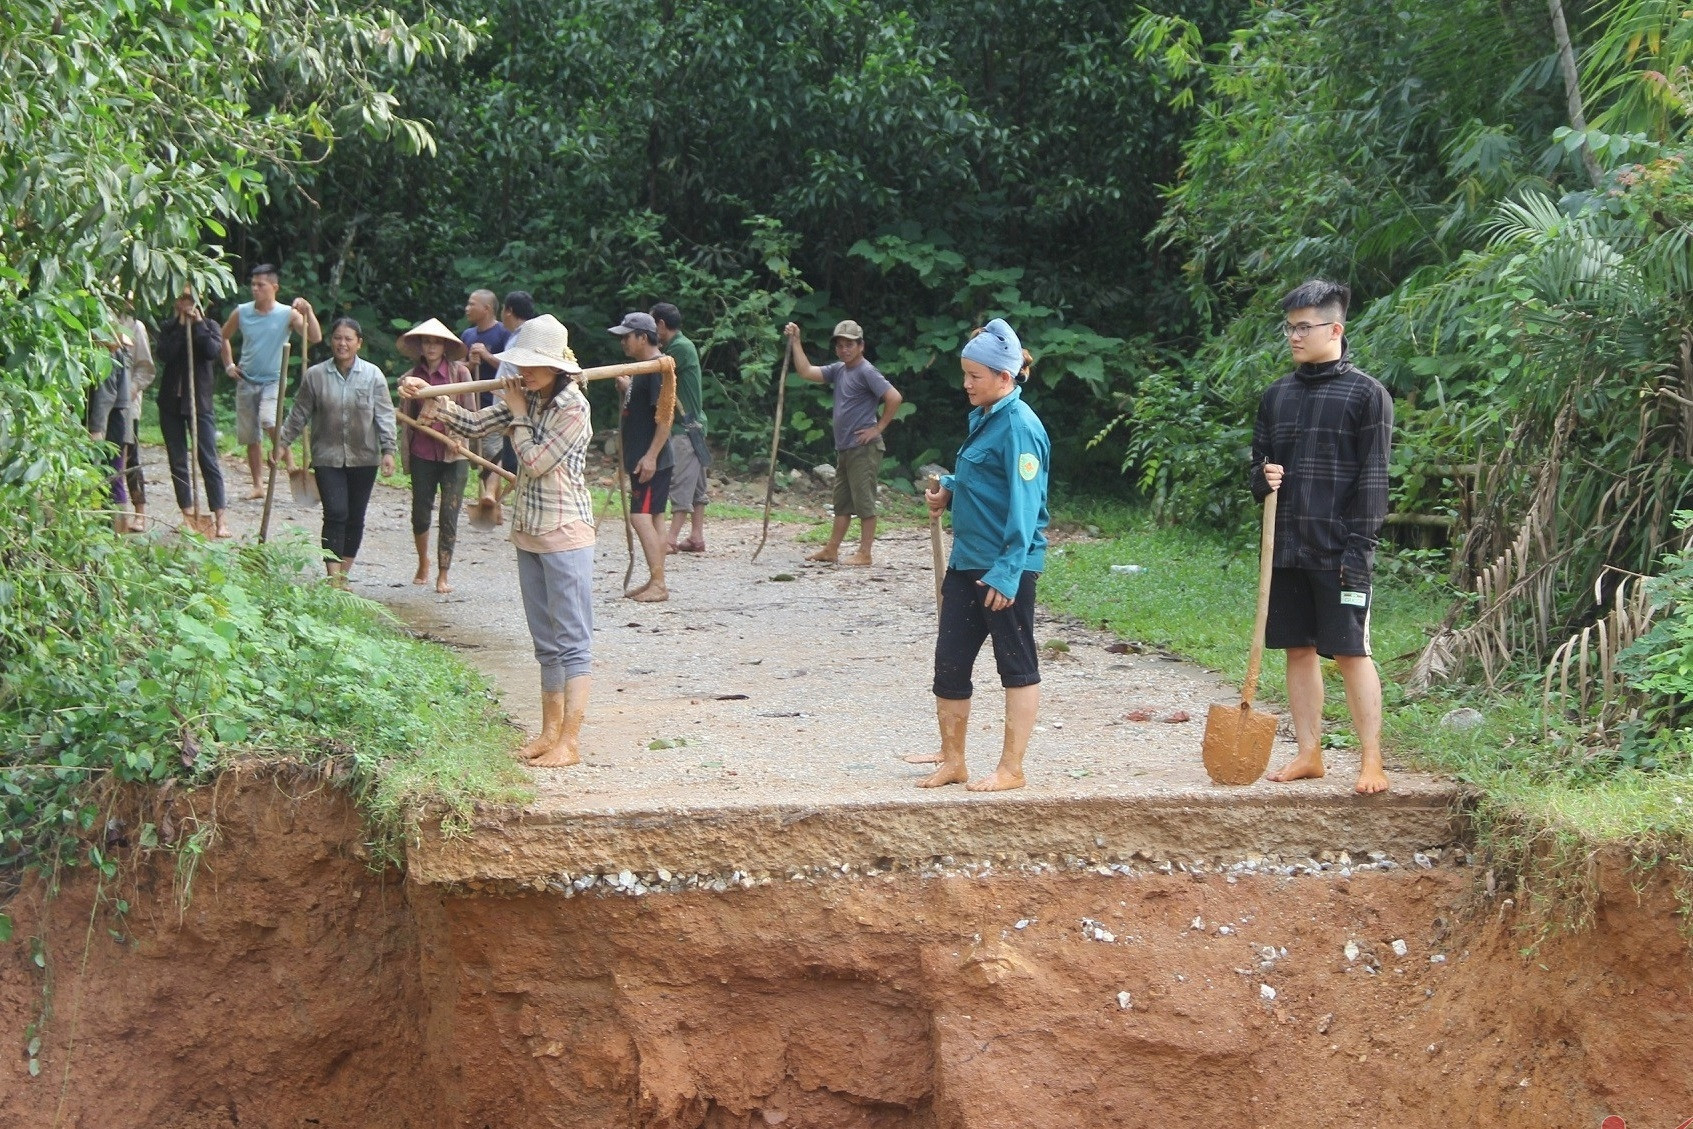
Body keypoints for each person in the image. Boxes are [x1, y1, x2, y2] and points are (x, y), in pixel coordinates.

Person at [402, 314, 595, 769]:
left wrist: (522, 416)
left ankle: (570, 739)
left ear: (556, 367)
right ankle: (549, 731)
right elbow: (473, 425)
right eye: (521, 365)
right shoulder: (524, 396)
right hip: (529, 529)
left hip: (565, 532)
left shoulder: (573, 407)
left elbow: (535, 459)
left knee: (572, 640)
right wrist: (426, 397)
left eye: (532, 366)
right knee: (544, 640)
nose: (522, 373)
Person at [1249, 278, 1394, 795]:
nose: (1294, 336)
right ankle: (1309, 752)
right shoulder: (1276, 396)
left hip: (1340, 552)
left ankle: (1371, 759)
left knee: (1352, 652)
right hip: (1286, 546)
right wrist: (1261, 477)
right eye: (1289, 327)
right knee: (1297, 650)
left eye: (1303, 327)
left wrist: (1358, 554)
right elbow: (1257, 466)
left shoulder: (1367, 395)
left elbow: (1374, 481)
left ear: (1335, 328)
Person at [917, 319, 1050, 792]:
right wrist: (949, 490)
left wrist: (1009, 571)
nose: (966, 384)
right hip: (967, 560)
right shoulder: (986, 417)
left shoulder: (1020, 428)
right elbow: (983, 480)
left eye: (974, 376)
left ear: (1004, 378)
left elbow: (1026, 505)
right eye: (965, 374)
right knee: (949, 662)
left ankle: (1012, 768)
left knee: (1016, 664)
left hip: (1004, 567)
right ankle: (954, 760)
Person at [273, 317, 395, 582]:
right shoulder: (315, 375)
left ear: (358, 343)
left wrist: (388, 450)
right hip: (327, 456)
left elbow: (385, 415)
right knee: (336, 512)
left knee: (355, 516)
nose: (342, 343)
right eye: (338, 338)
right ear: (331, 341)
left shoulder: (373, 376)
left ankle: (343, 575)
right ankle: (332, 574)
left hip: (364, 456)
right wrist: (282, 443)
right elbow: (299, 413)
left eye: (348, 339)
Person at [782, 319, 903, 566]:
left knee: (864, 501)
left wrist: (877, 428)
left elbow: (894, 397)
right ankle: (831, 549)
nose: (844, 349)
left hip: (864, 448)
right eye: (839, 345)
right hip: (846, 448)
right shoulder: (840, 370)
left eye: (849, 344)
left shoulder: (866, 371)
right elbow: (806, 372)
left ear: (861, 346)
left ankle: (865, 553)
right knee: (842, 502)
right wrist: (796, 342)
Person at [221, 262, 322, 499]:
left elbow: (315, 336)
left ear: (274, 287)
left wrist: (309, 312)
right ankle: (257, 484)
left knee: (268, 418)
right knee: (250, 436)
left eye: (261, 285)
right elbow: (223, 336)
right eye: (253, 285)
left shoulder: (287, 313)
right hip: (246, 379)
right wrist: (229, 365)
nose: (255, 289)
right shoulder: (242, 312)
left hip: (273, 380)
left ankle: (288, 460)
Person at [397, 317, 475, 594]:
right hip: (422, 451)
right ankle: (423, 562)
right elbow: (405, 417)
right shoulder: (409, 378)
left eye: (436, 342)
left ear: (445, 346)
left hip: (454, 454)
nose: (431, 347)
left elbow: (471, 415)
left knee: (449, 513)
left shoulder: (460, 375)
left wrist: (459, 437)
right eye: (427, 342)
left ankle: (444, 573)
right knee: (420, 512)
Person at [610, 311, 675, 602]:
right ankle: (655, 578)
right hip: (646, 457)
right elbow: (645, 407)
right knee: (656, 518)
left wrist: (650, 457)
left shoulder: (656, 369)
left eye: (627, 336)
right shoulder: (643, 370)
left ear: (643, 337)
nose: (623, 341)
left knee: (640, 516)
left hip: (650, 461)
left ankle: (659, 584)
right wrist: (628, 389)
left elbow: (664, 417)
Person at [153, 291, 230, 536]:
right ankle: (188, 514)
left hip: (200, 403)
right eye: (182, 298)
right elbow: (164, 354)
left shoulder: (210, 326)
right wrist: (181, 326)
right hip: (171, 404)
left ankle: (220, 519)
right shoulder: (168, 327)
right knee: (178, 460)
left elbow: (211, 351)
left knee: (208, 459)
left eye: (191, 298)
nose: (186, 303)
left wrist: (196, 324)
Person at [651, 302, 709, 553]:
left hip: (685, 428)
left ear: (661, 325)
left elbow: (655, 369)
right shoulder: (679, 346)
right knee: (696, 485)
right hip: (694, 425)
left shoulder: (679, 349)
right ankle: (696, 536)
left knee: (681, 482)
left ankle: (670, 538)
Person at [461, 288, 516, 510]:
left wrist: (487, 357)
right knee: (477, 456)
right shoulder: (467, 335)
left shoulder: (504, 334)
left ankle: (493, 501)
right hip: (472, 405)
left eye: (471, 304)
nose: (467, 308)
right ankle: (490, 502)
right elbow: (458, 367)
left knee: (494, 455)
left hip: (496, 404)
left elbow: (509, 367)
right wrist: (471, 364)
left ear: (487, 309)